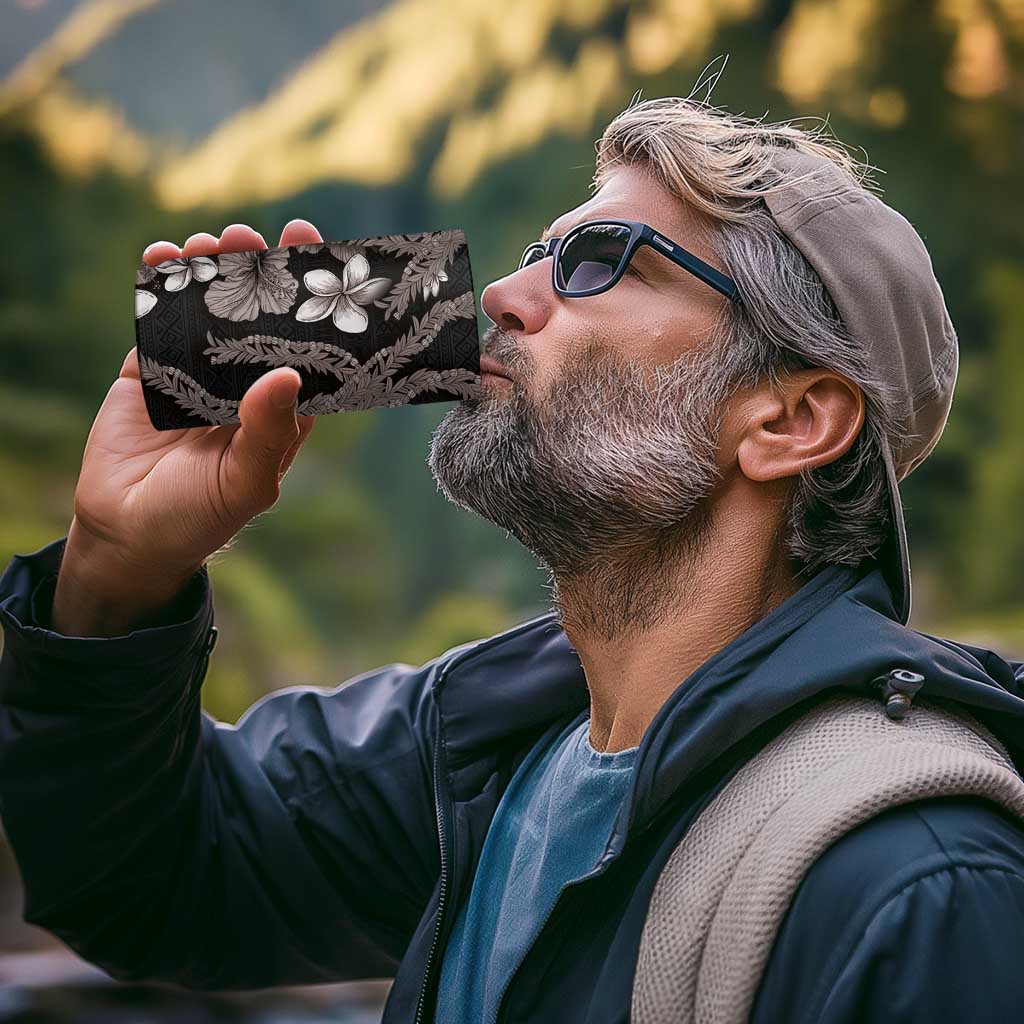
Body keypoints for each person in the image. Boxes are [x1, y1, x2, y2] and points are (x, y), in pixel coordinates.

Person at [2, 94, 1024, 1024]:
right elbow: (149, 880)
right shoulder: (481, 748)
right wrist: (116, 571)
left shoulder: (918, 884)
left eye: (599, 262)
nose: (500, 292)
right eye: (540, 252)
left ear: (790, 419)